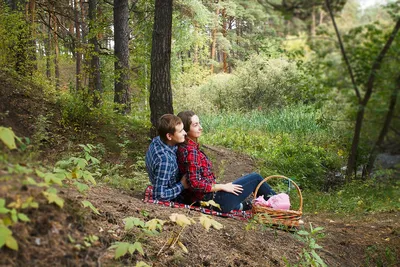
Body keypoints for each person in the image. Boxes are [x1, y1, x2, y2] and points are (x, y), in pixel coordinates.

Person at [177, 111, 276, 213]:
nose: (200, 127)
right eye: (195, 125)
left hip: (207, 198)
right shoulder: (191, 151)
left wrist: (220, 187)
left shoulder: (185, 147)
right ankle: (281, 207)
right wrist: (222, 186)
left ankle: (245, 206)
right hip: (212, 201)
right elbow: (194, 183)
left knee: (248, 198)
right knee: (255, 178)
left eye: (199, 123)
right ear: (185, 129)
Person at [145, 114, 189, 201]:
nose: (185, 133)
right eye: (180, 131)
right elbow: (159, 195)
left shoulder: (158, 140)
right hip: (175, 198)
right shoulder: (165, 160)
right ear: (169, 136)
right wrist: (182, 185)